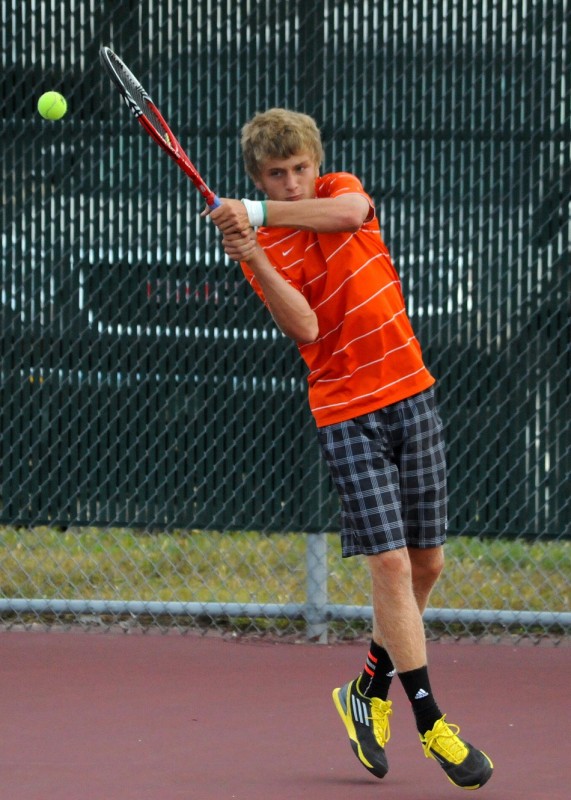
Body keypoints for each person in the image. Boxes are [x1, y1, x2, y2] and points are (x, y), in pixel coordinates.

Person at [206, 108, 493, 790]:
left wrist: (256, 210)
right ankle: (432, 724)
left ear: (316, 164)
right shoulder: (264, 246)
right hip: (345, 412)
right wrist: (250, 252)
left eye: (299, 168)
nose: (294, 181)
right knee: (391, 567)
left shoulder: (340, 191)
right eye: (277, 175)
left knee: (427, 565)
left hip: (412, 392)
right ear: (261, 176)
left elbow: (348, 214)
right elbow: (303, 325)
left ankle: (364, 691)